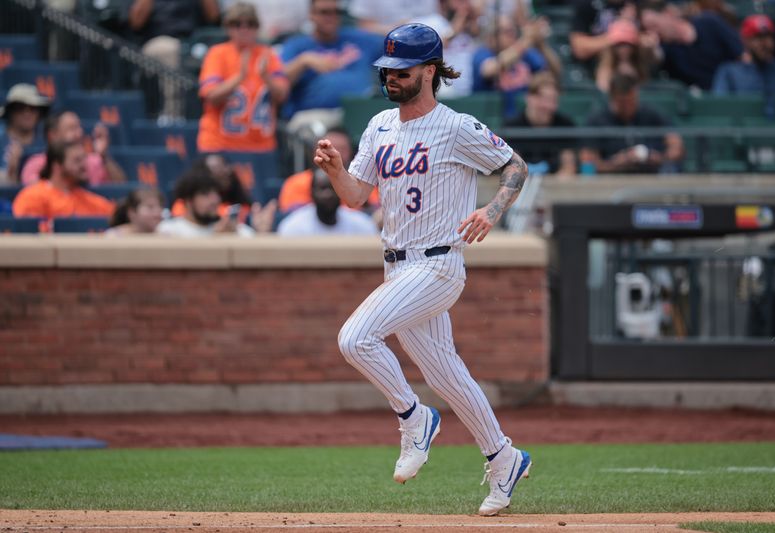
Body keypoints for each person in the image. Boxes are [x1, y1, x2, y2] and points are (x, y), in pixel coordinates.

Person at [314, 23, 531, 516]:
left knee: (355, 338)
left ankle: (414, 417)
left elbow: (516, 166)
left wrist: (490, 211)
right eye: (386, 69)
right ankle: (504, 458)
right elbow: (355, 196)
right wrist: (333, 170)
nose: (391, 77)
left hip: (437, 265)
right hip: (397, 269)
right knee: (449, 375)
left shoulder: (456, 126)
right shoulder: (378, 126)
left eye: (402, 69)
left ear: (429, 71)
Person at [197, 2, 290, 153]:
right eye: (237, 24)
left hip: (261, 148)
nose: (244, 29)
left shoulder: (268, 55)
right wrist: (239, 77)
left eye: (250, 24)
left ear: (257, 27)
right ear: (228, 27)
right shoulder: (218, 54)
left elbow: (282, 95)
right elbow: (210, 96)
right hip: (219, 145)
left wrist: (266, 77)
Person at [279, 0, 383, 131]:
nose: (331, 17)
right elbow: (279, 83)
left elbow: (395, 46)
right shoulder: (297, 45)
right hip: (317, 116)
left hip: (360, 111)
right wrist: (303, 61)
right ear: (311, 15)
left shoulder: (359, 38)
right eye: (324, 12)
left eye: (336, 12)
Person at [124, 0, 220, 123]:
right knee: (170, 50)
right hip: (157, 40)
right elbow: (136, 23)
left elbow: (214, 16)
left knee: (212, 52)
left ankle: (208, 114)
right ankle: (172, 115)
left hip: (192, 41)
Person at [580, 73, 685, 174]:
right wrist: (616, 163)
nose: (628, 107)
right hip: (610, 181)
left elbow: (677, 148)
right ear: (612, 98)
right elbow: (587, 162)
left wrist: (658, 158)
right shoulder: (596, 120)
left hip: (651, 177)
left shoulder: (651, 114)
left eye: (631, 101)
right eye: (622, 103)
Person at [472, 15, 561, 119]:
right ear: (491, 37)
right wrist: (526, 40)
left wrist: (540, 43)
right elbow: (489, 70)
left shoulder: (526, 54)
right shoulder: (483, 53)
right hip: (491, 121)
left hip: (524, 119)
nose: (512, 35)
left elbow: (554, 71)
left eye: (513, 30)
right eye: (507, 31)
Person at [640, 0, 742, 90]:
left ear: (668, 14)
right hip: (704, 101)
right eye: (648, 30)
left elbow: (742, 55)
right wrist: (648, 48)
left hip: (732, 88)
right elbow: (655, 59)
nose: (654, 33)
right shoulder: (668, 50)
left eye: (654, 26)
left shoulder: (708, 22)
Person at [156, 165, 275, 237]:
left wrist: (262, 233)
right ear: (188, 201)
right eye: (205, 194)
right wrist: (217, 239)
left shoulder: (233, 230)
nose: (215, 200)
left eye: (217, 193)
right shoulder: (168, 230)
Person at [12, 140, 115, 220]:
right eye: (77, 160)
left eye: (84, 159)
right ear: (57, 166)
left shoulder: (86, 198)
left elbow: (115, 215)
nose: (84, 165)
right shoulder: (32, 196)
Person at [20, 110, 127, 187]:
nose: (79, 134)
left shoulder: (93, 160)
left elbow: (120, 187)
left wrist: (104, 156)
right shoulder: (35, 164)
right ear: (53, 135)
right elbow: (33, 193)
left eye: (79, 128)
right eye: (72, 129)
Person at [504, 71, 577, 177]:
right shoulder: (512, 127)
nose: (548, 106)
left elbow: (568, 168)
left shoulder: (565, 125)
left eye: (553, 100)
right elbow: (513, 171)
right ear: (529, 98)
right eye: (543, 99)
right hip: (522, 187)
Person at [712, 15, 775, 97]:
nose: (766, 43)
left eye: (769, 37)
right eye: (758, 37)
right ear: (745, 40)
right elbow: (720, 107)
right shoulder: (729, 73)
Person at [277, 168, 378, 236]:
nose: (328, 194)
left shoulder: (362, 224)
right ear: (311, 193)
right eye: (322, 189)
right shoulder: (293, 227)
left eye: (333, 189)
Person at [171, 153, 252, 220]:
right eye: (217, 168)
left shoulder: (239, 201)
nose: (225, 172)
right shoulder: (184, 204)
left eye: (225, 166)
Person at [0, 84, 51, 184]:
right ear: (10, 111)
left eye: (33, 108)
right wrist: (12, 171)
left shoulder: (47, 143)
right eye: (20, 108)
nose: (27, 113)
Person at [595, 19, 659, 93]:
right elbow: (603, 90)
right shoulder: (606, 67)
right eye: (619, 45)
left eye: (627, 44)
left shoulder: (640, 65)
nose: (623, 49)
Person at [569, 0, 638, 65]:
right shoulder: (588, 5)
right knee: (607, 52)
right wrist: (613, 38)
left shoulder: (636, 4)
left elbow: (647, 39)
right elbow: (578, 49)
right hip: (596, 62)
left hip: (636, 58)